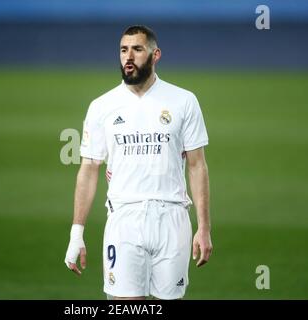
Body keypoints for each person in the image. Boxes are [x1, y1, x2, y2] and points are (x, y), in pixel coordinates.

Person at [64, 25, 212, 300]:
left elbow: (197, 165)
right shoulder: (102, 106)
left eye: (137, 49)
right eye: (123, 50)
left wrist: (204, 228)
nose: (128, 56)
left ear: (155, 55)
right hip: (124, 218)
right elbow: (88, 169)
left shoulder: (184, 101)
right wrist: (76, 233)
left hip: (172, 218)